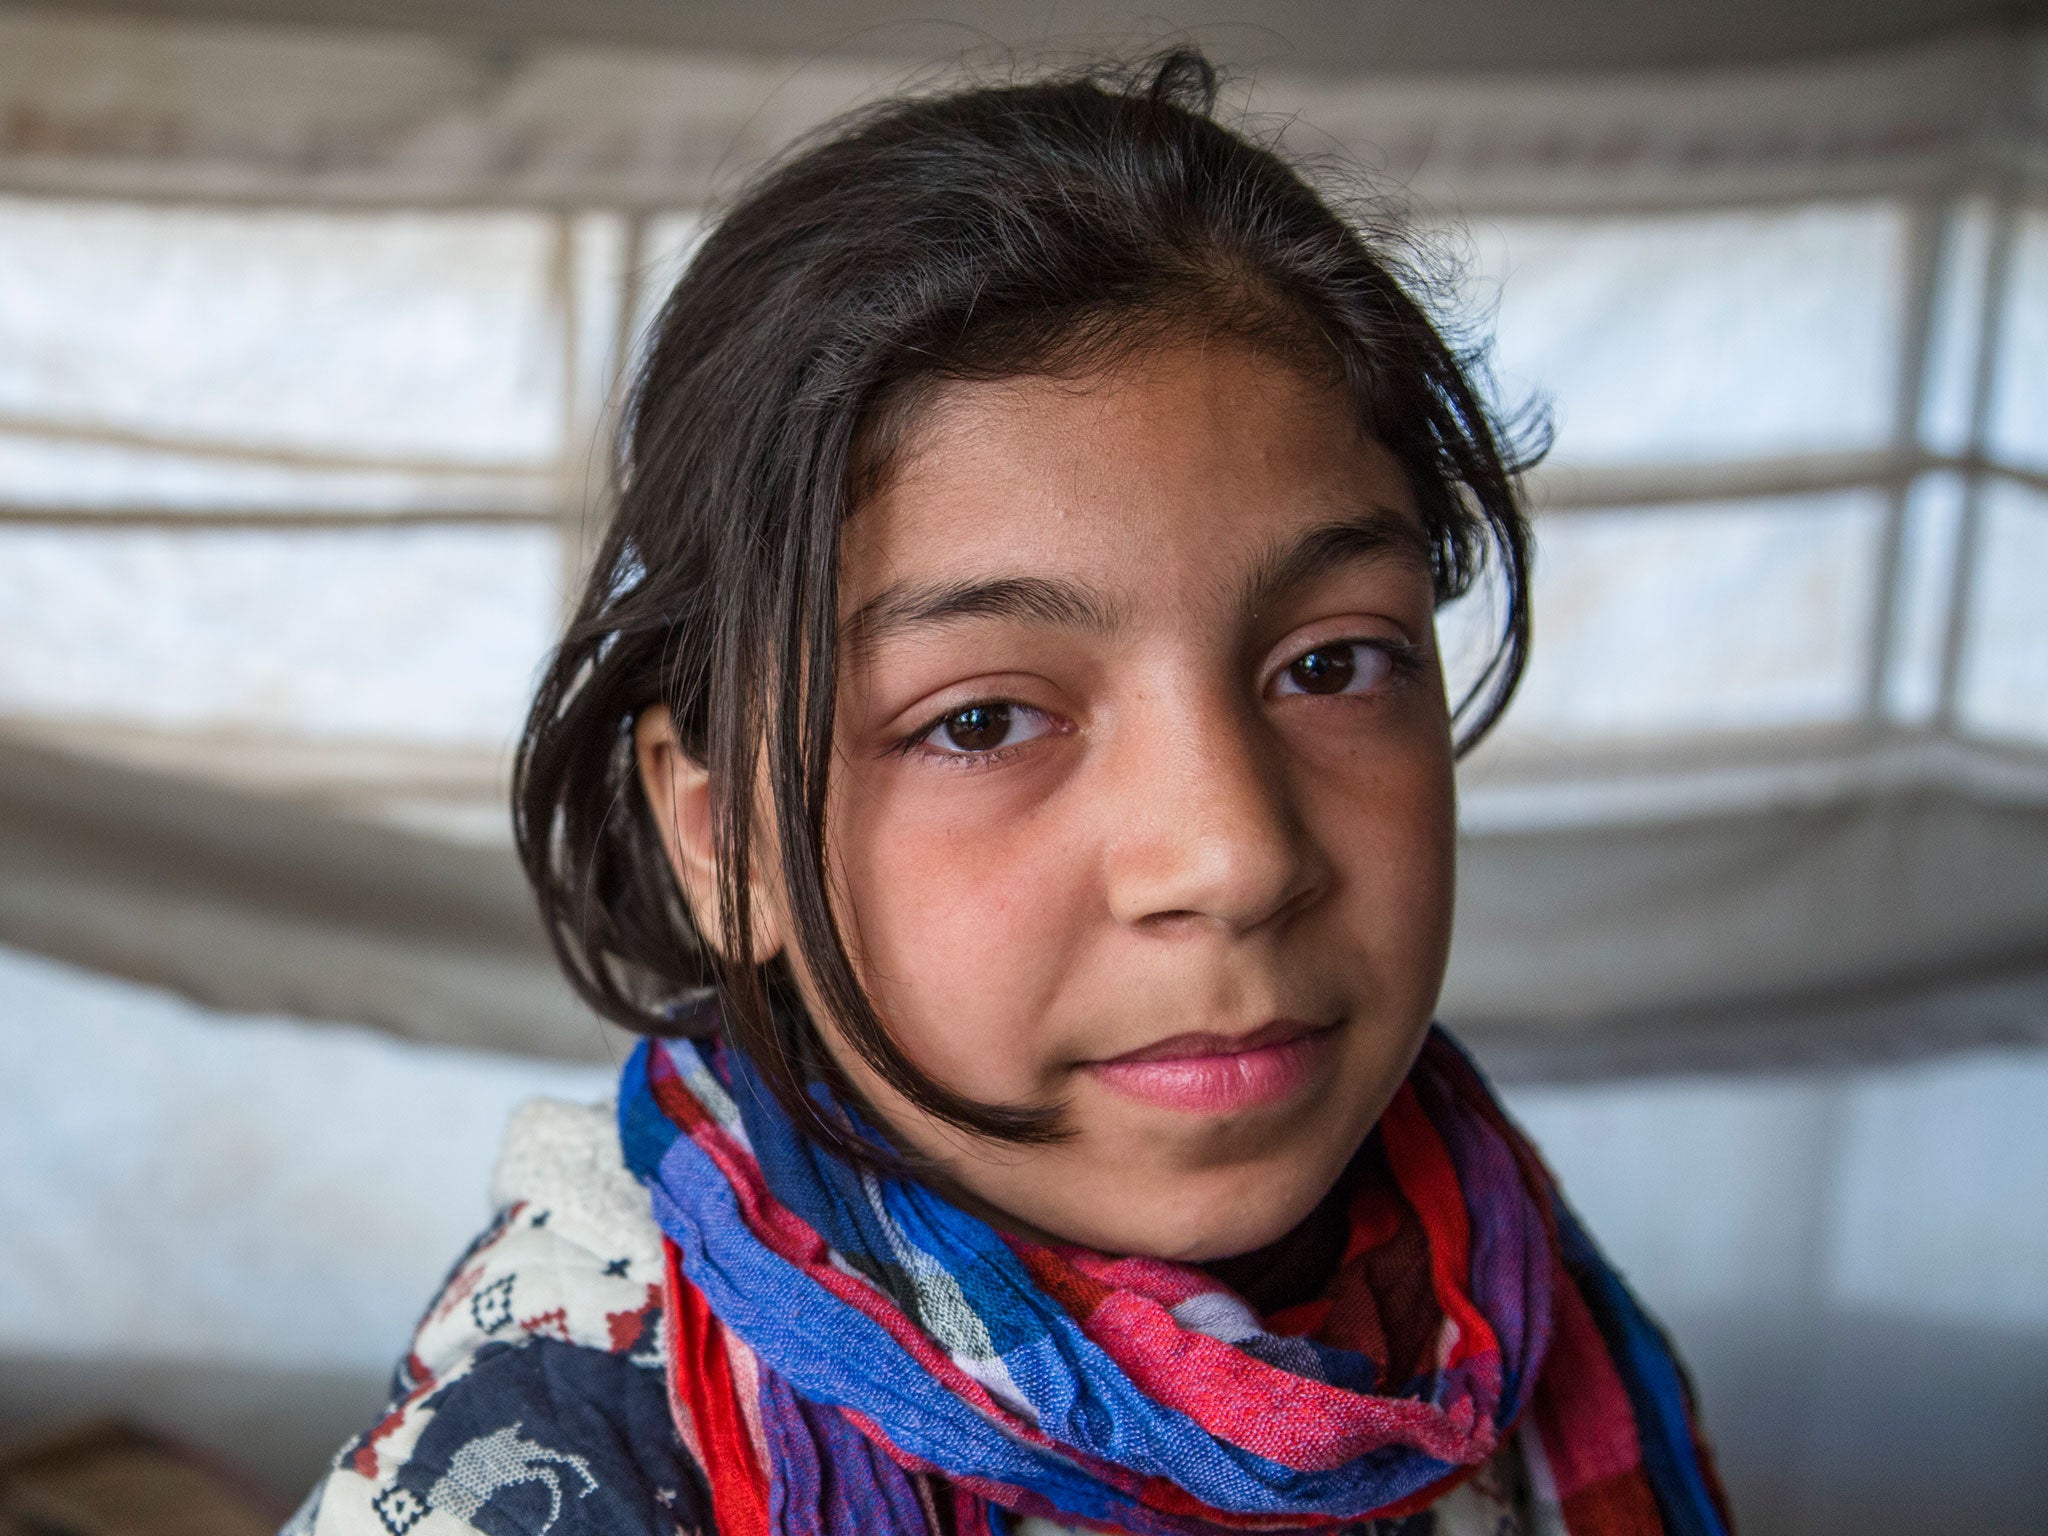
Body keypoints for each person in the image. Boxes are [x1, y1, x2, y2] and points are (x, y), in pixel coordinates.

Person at [288, 50, 1730, 1536]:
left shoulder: (1501, 1294)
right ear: (727, 842)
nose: (1232, 855)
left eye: (1332, 666)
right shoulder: (573, 1430)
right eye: (982, 719)